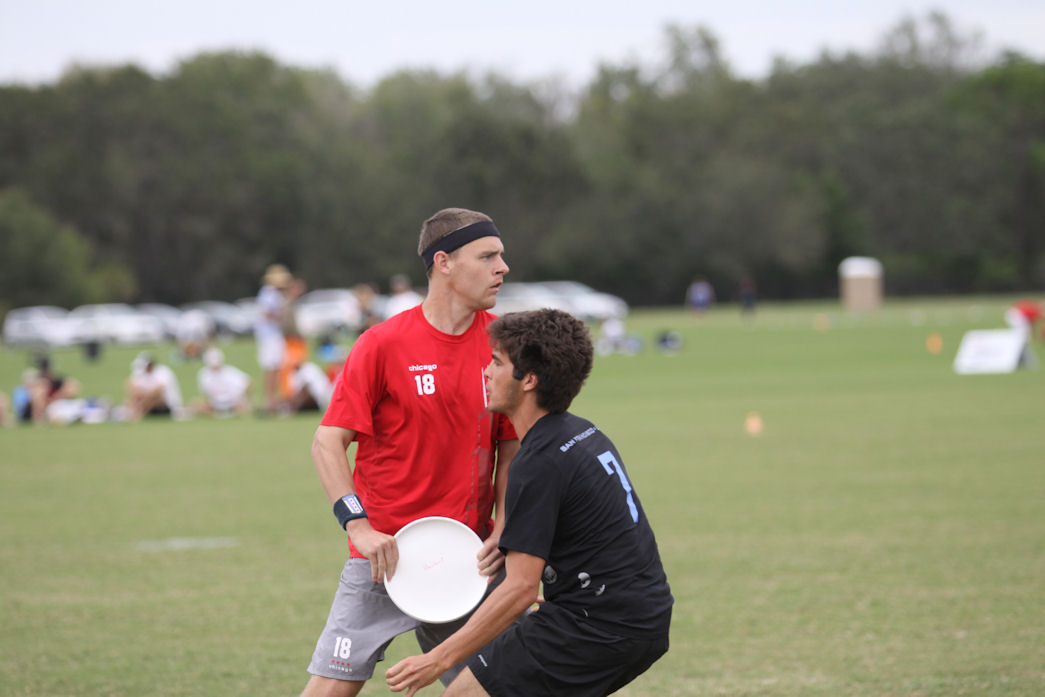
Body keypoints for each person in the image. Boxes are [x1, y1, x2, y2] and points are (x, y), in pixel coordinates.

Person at [386, 308, 673, 697]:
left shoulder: (538, 461)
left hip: (598, 625)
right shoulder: (582, 431)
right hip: (641, 614)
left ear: (529, 380)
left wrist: (437, 659)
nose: (485, 372)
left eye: (497, 362)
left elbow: (520, 588)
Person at [300, 207, 519, 697]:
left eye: (501, 256)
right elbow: (327, 441)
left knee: (502, 688)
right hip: (384, 558)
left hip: (470, 557)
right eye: (487, 256)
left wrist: (505, 522)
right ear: (444, 262)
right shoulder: (382, 344)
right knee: (330, 689)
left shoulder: (504, 343)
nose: (503, 268)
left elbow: (511, 447)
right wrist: (358, 526)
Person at [256, 263, 292, 413]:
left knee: (276, 368)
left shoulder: (272, 293)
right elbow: (266, 313)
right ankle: (270, 400)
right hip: (270, 335)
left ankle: (273, 399)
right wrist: (279, 317)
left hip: (272, 335)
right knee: (271, 368)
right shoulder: (269, 293)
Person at [122, 352, 184, 420]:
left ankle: (138, 413)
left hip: (167, 405)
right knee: (135, 395)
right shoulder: (142, 373)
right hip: (149, 404)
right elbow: (130, 384)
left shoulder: (163, 372)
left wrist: (143, 400)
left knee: (155, 396)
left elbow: (158, 391)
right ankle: (132, 413)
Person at [193, 347, 252, 417]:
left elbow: (248, 383)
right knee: (196, 404)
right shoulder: (203, 374)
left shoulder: (230, 371)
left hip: (233, 402)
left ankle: (228, 413)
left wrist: (244, 399)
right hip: (215, 403)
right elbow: (206, 394)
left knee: (243, 407)